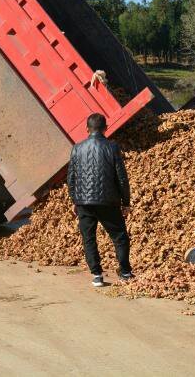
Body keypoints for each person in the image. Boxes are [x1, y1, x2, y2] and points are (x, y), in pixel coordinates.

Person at [67, 113, 133, 288]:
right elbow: (121, 178)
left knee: (89, 239)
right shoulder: (112, 148)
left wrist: (75, 199)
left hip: (84, 203)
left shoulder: (77, 148)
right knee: (119, 237)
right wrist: (126, 202)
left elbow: (71, 178)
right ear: (105, 128)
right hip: (108, 202)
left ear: (87, 129)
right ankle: (125, 272)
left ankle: (97, 275)